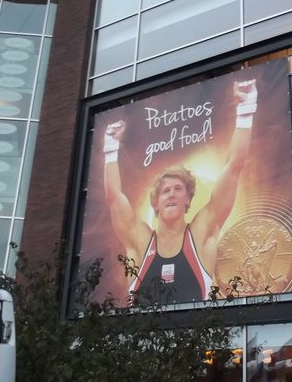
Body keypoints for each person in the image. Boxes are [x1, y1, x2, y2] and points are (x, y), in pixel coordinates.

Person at [103, 80, 258, 304]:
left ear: (188, 199)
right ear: (155, 203)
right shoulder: (140, 240)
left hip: (198, 328)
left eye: (178, 189)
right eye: (165, 191)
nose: (171, 194)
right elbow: (114, 197)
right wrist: (110, 148)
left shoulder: (200, 234)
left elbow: (233, 167)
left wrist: (245, 110)